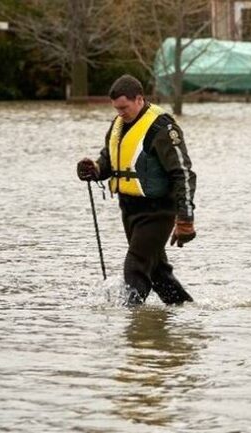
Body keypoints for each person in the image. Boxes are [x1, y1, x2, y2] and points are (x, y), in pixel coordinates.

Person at [76, 74, 196, 306]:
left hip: (158, 211)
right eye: (116, 108)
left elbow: (183, 173)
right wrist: (94, 169)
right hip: (130, 210)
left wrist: (185, 218)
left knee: (135, 267)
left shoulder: (162, 128)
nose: (120, 113)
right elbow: (109, 160)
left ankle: (133, 322)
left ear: (139, 99)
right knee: (157, 273)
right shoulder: (118, 124)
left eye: (124, 107)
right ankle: (187, 311)